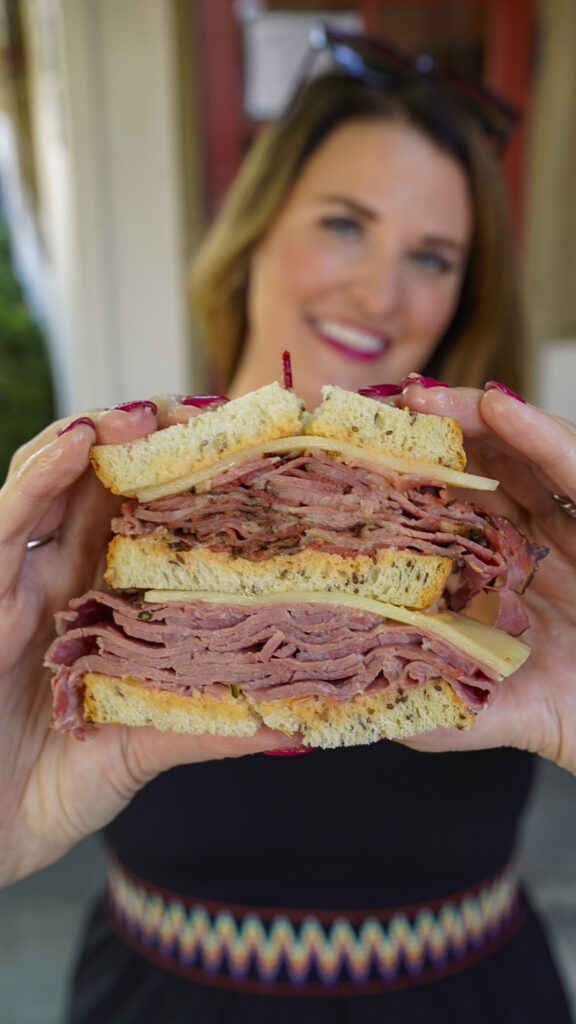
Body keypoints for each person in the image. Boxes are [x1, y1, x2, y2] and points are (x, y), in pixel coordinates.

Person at [1, 26, 576, 1024]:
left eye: (432, 256)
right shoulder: (95, 526)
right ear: (255, 230)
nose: (381, 293)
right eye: (345, 224)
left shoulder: (507, 548)